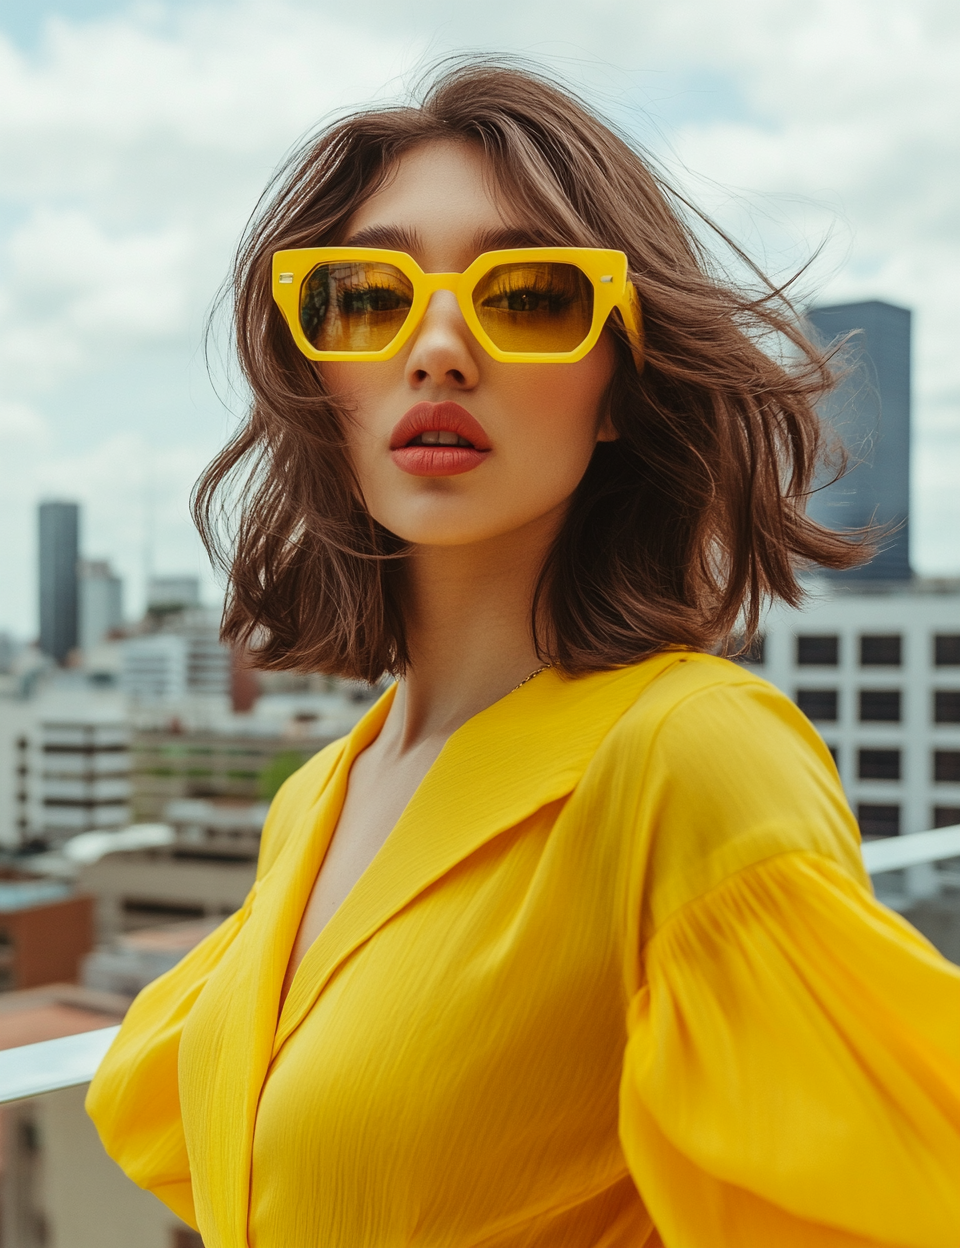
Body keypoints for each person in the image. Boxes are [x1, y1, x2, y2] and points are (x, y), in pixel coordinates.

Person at [87, 61, 959, 1248]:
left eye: (532, 295)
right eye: (364, 296)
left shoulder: (687, 760)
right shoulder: (318, 796)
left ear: (619, 387)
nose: (438, 349)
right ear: (317, 376)